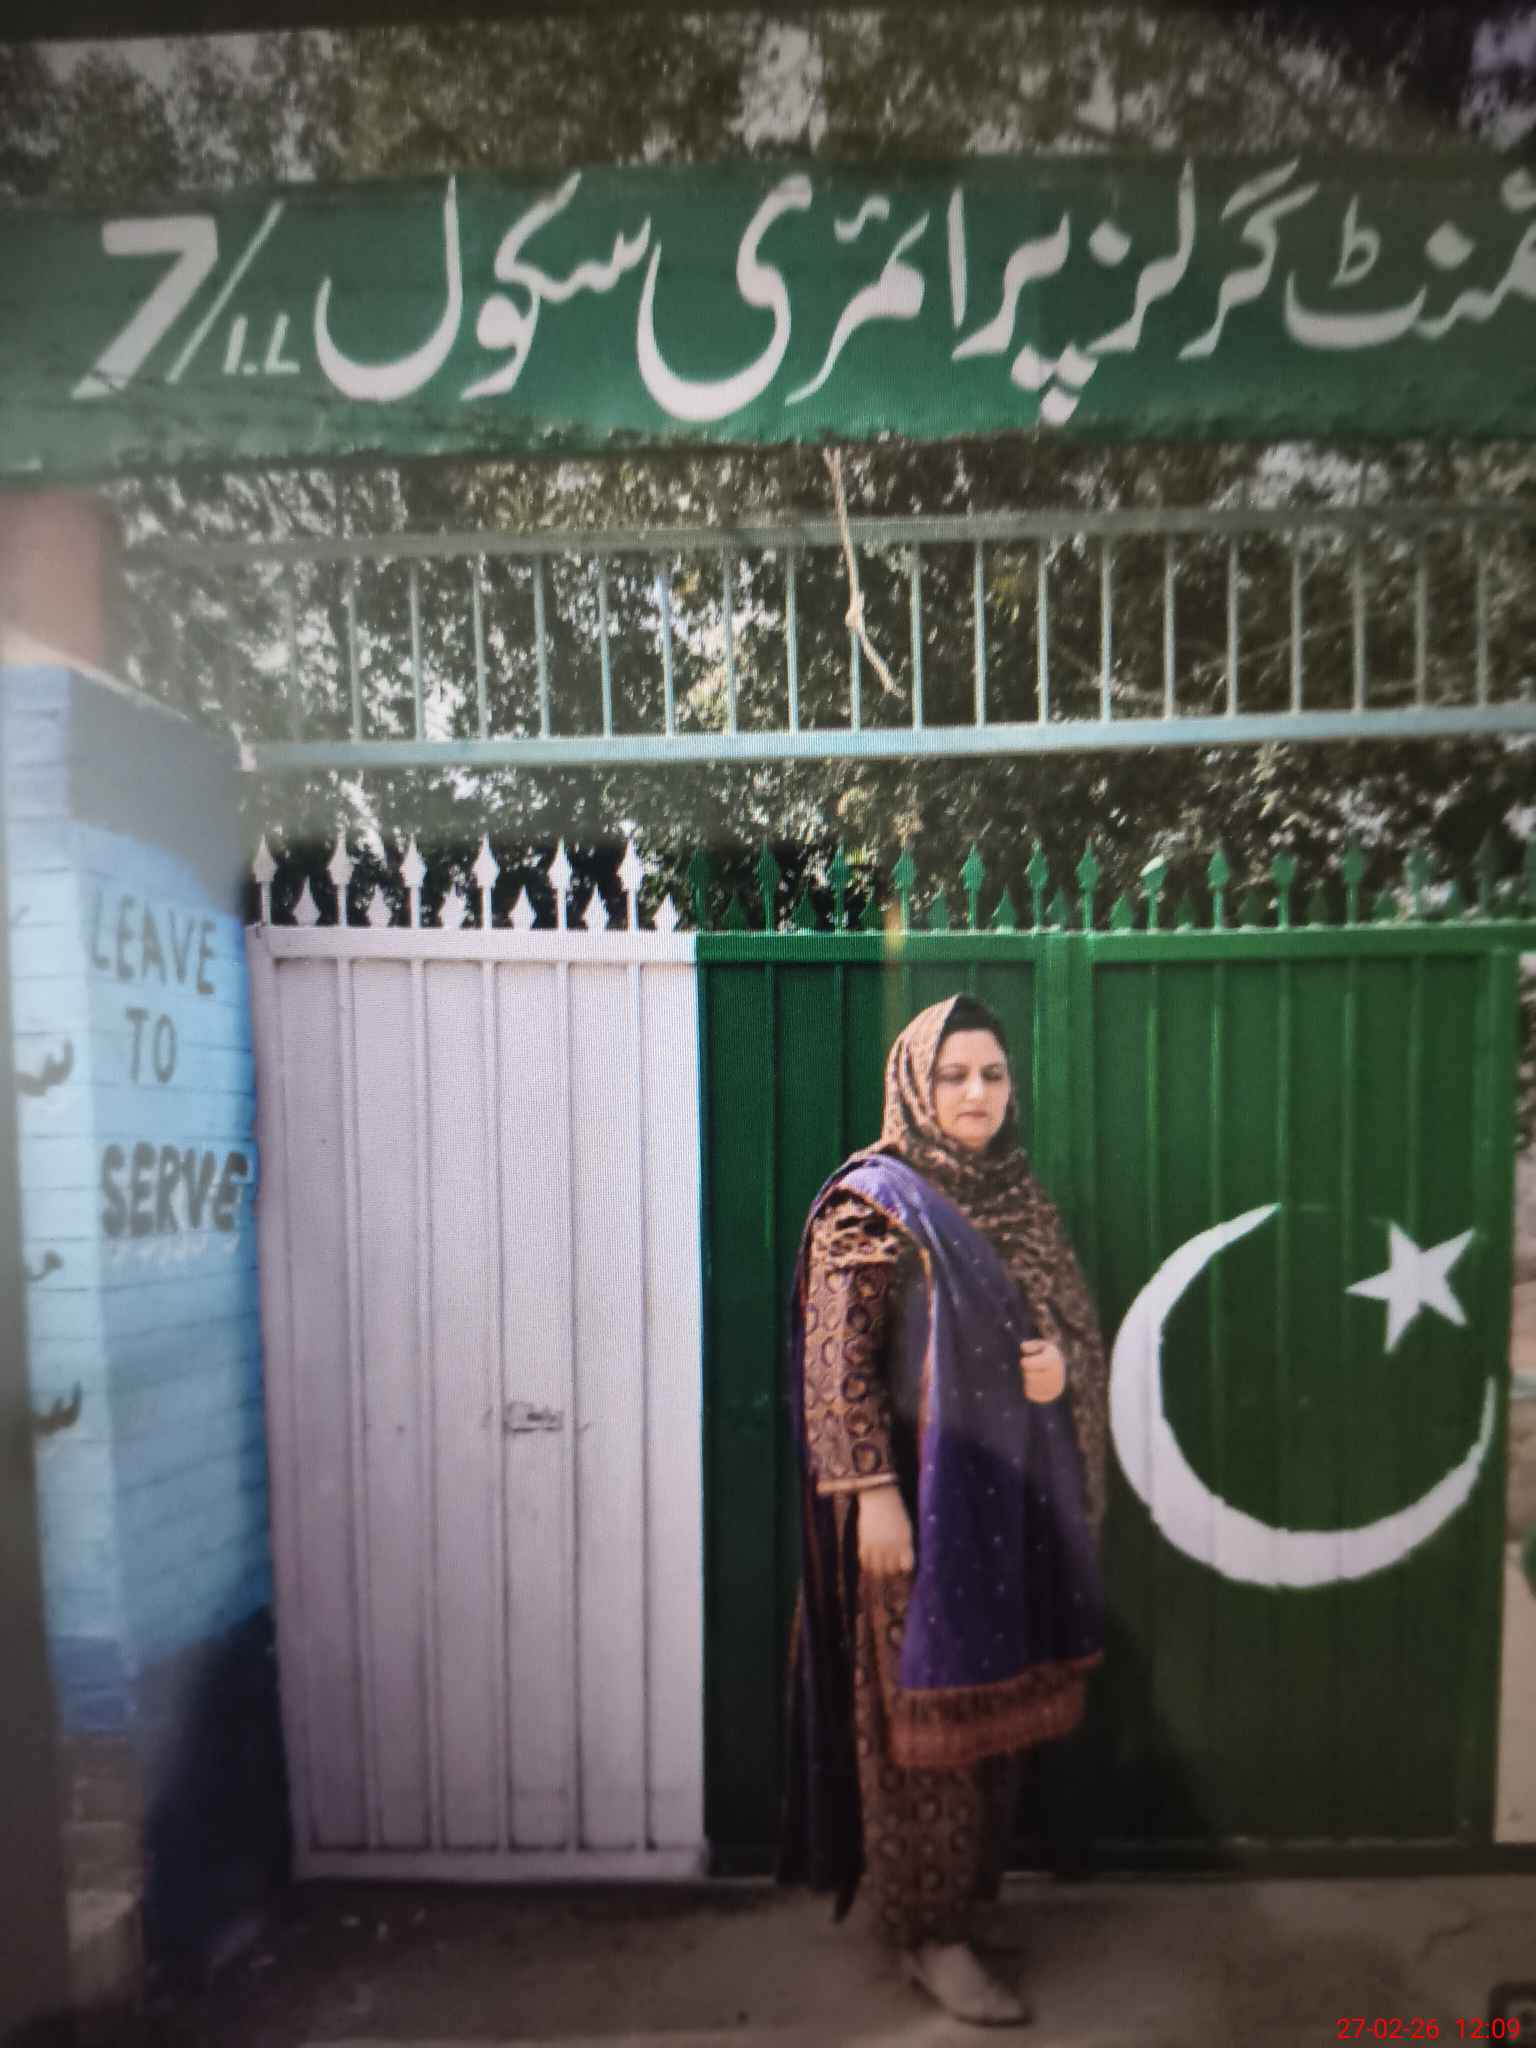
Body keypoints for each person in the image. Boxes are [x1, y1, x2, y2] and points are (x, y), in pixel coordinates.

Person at [778, 992, 1109, 2027]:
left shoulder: (1022, 1200)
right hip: (916, 1515)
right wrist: (872, 1495)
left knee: (993, 1719)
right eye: (955, 1074)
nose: (976, 1093)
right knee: (922, 1726)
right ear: (915, 1087)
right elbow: (834, 1363)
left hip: (1015, 1509)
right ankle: (929, 1932)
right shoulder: (873, 1204)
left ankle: (963, 1909)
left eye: (993, 1074)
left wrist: (1062, 1369)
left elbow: (1072, 1332)